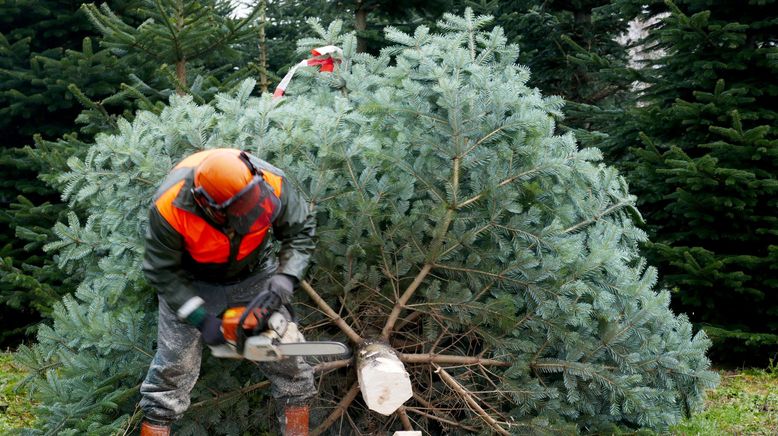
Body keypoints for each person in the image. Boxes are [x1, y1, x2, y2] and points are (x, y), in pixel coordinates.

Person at [139, 148, 316, 435]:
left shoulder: (273, 181)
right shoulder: (170, 206)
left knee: (291, 362)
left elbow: (300, 232)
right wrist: (201, 319)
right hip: (189, 281)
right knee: (171, 374)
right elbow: (162, 271)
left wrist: (283, 281)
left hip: (255, 271)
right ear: (208, 205)